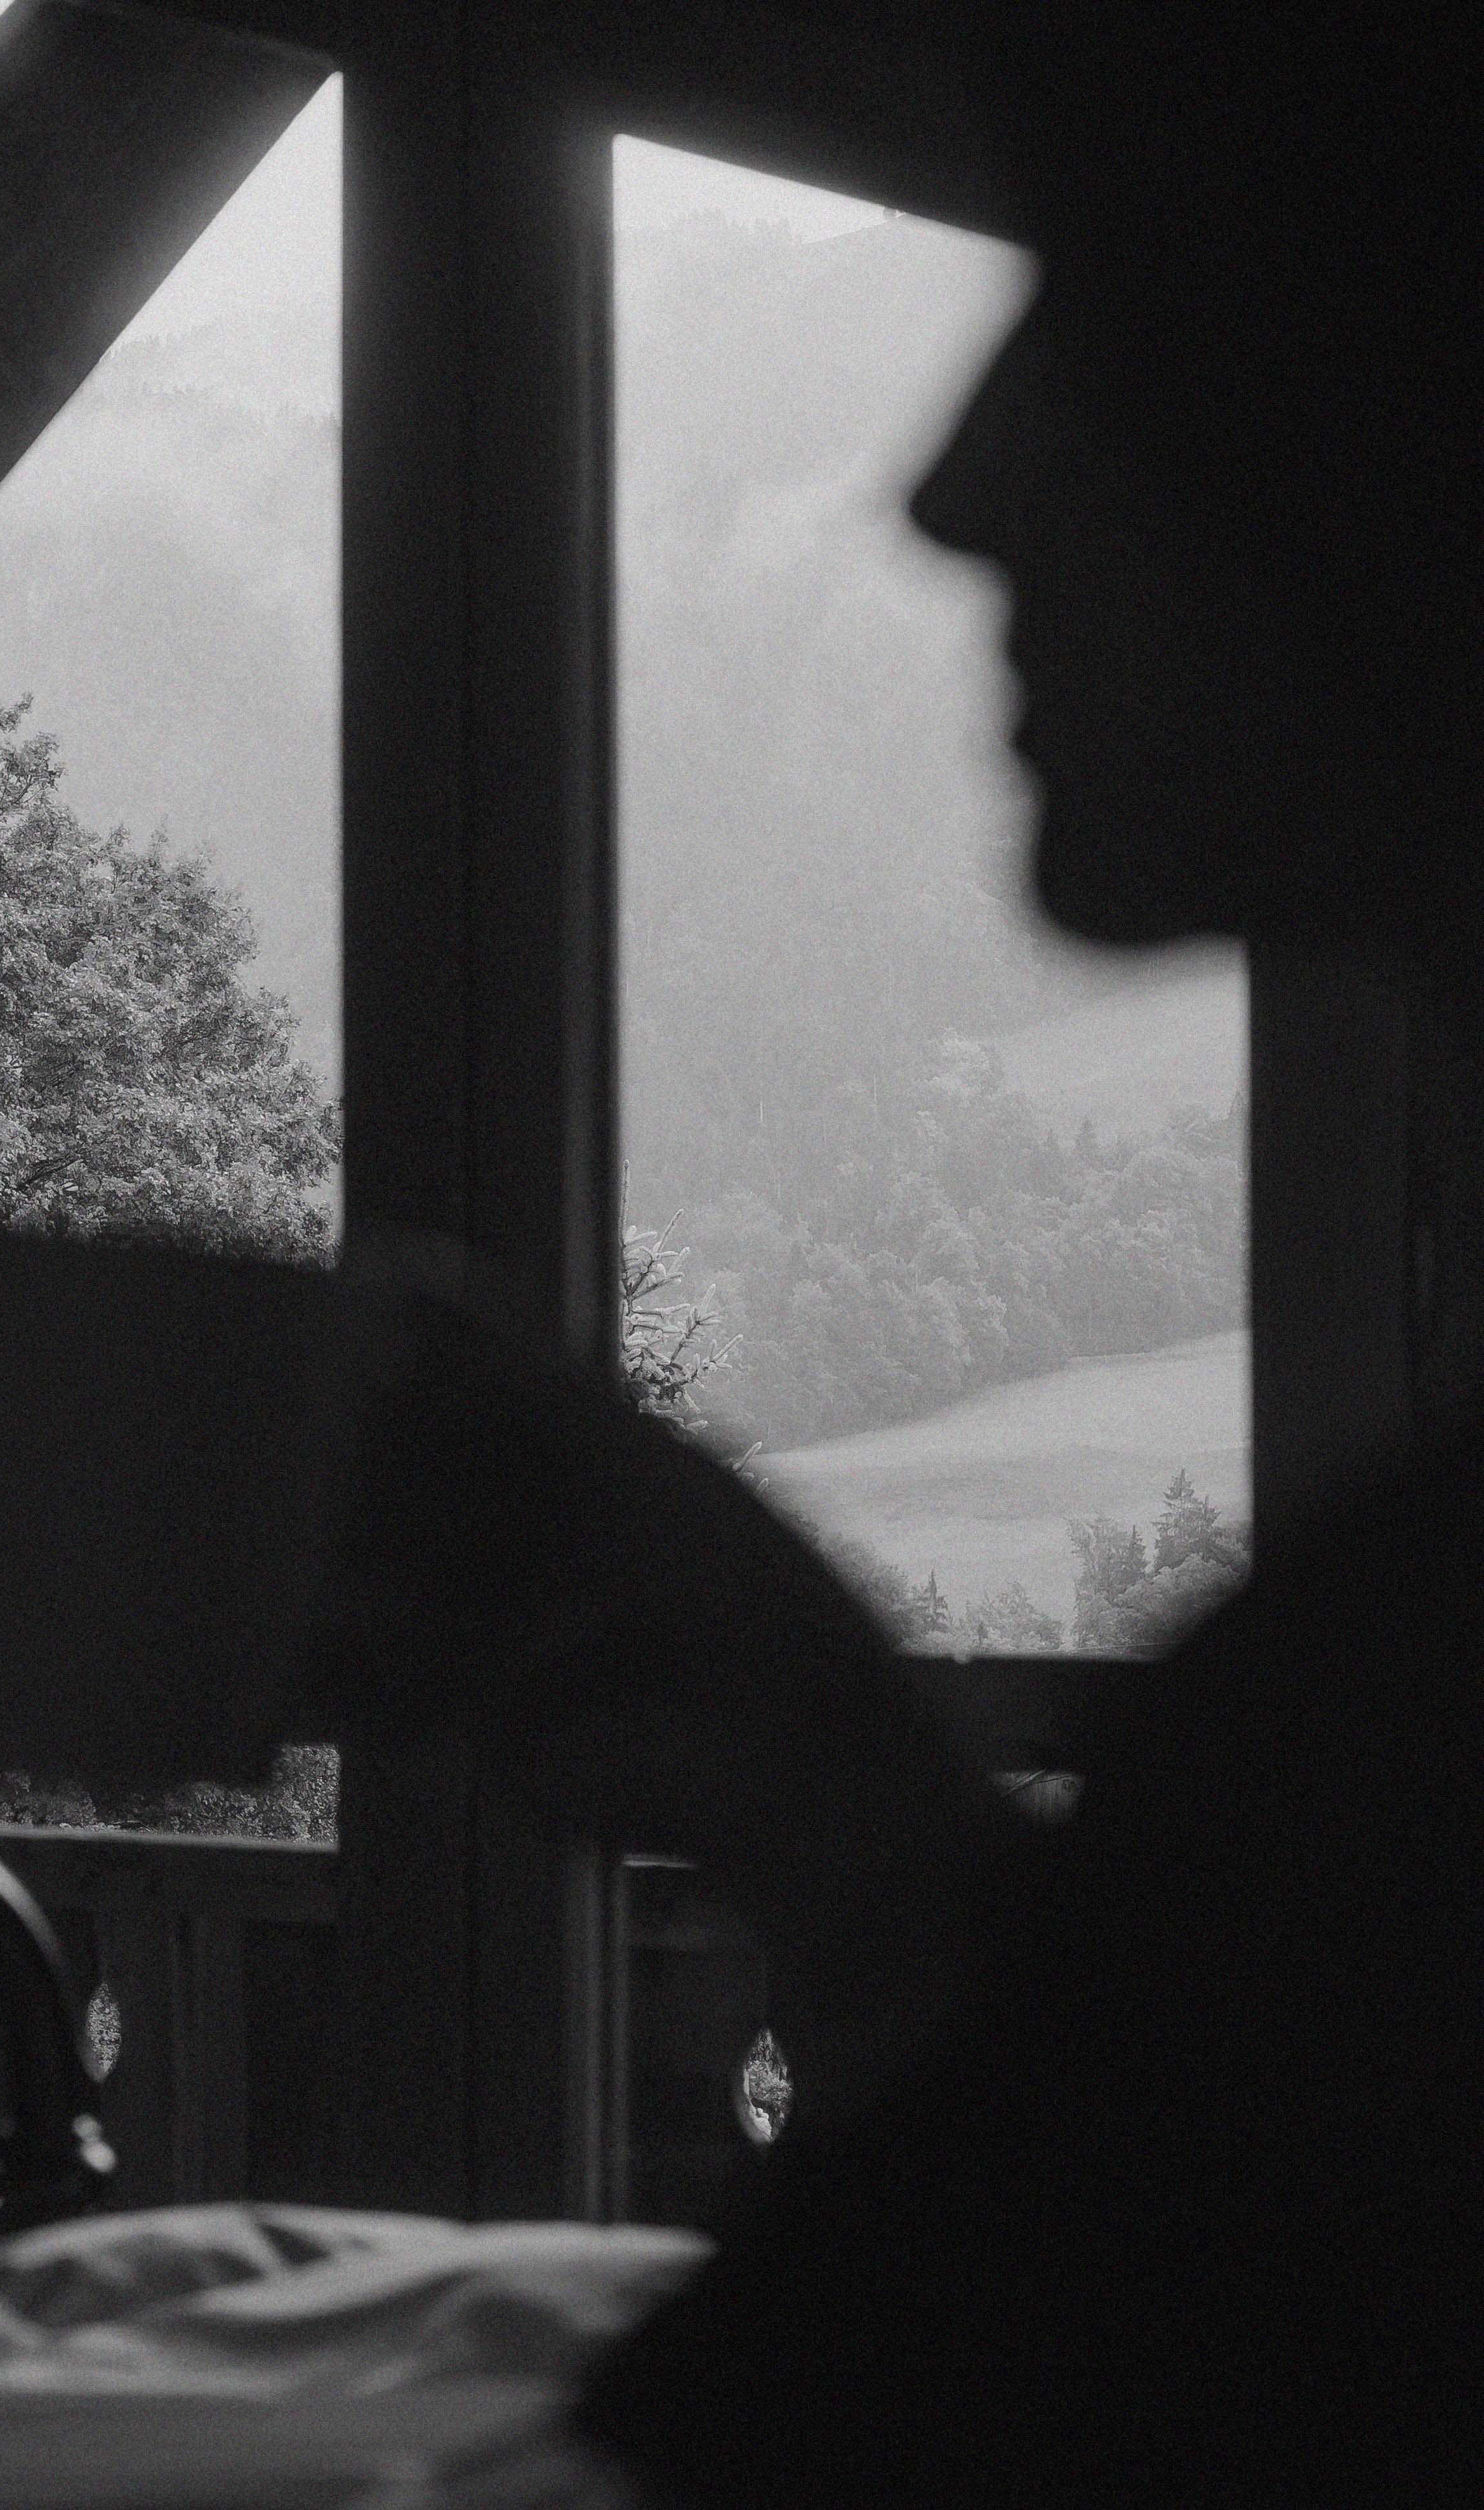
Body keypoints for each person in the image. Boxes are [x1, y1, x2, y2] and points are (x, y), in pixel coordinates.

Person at [549, 5, 1484, 2498]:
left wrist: (844, 1827)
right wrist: (835, 1792)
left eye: (1116, 302)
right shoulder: (1378, 1680)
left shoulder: (1397, 1699)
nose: (951, 487)